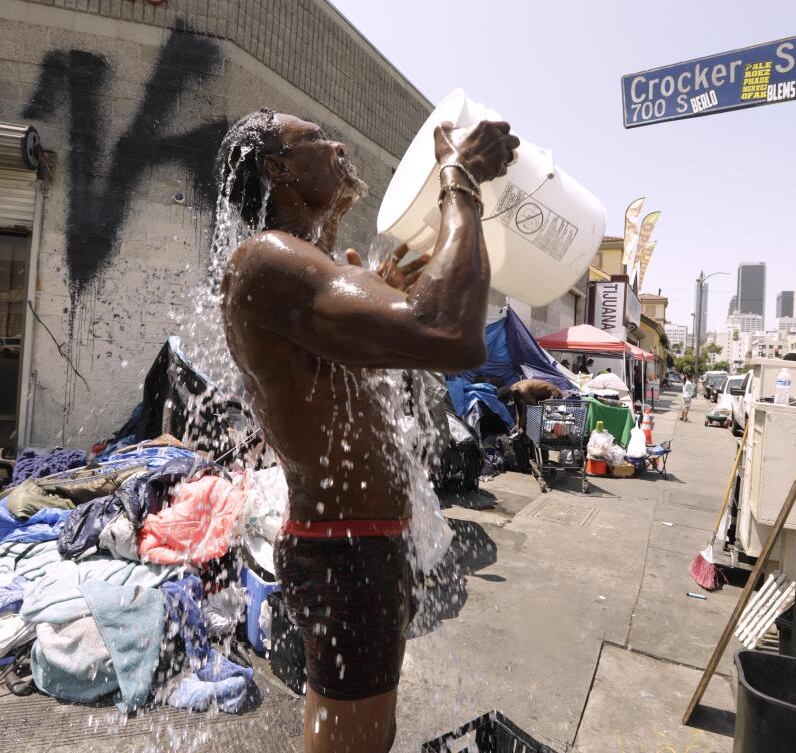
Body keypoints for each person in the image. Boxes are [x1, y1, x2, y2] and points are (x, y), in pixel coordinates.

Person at [221, 108, 518, 753]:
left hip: (363, 545)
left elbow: (343, 378)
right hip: (345, 551)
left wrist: (379, 290)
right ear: (280, 171)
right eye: (315, 143)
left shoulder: (305, 267)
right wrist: (458, 178)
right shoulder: (269, 260)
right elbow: (449, 331)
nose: (338, 145)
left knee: (363, 739)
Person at [496, 378, 564, 432]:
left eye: (508, 401)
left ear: (510, 396)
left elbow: (533, 407)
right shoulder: (513, 390)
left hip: (554, 394)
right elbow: (519, 408)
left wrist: (525, 426)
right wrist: (518, 425)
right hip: (541, 398)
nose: (509, 403)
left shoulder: (523, 390)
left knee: (538, 418)